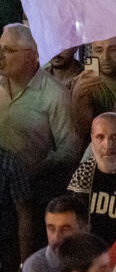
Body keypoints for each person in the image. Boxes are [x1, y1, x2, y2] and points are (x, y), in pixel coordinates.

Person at [0, 23, 80, 224]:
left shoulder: (54, 94)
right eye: (0, 49)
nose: (1, 56)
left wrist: (38, 166)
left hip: (35, 194)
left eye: (8, 50)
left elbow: (70, 150)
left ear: (31, 55)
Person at [67, 113, 116, 244]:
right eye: (100, 137)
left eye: (115, 137)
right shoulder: (77, 176)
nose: (108, 145)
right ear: (92, 142)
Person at [21, 195, 89, 272]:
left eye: (65, 229)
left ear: (85, 230)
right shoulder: (36, 267)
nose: (56, 238)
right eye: (51, 229)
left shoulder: (100, 261)